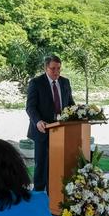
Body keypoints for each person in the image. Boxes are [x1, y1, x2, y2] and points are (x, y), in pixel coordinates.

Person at [25, 55, 75, 192]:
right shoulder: (36, 83)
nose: (56, 72)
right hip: (43, 130)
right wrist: (38, 121)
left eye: (58, 68)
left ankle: (54, 194)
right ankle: (39, 197)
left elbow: (70, 104)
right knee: (41, 166)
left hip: (61, 131)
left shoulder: (65, 82)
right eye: (53, 69)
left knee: (58, 165)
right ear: (46, 68)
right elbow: (30, 107)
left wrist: (79, 114)